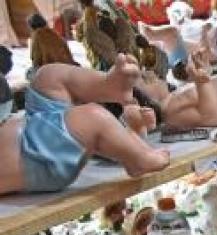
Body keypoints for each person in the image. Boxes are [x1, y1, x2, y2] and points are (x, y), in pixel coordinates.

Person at [0, 55, 169, 195]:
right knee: (92, 118)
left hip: (27, 128)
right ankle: (137, 159)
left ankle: (109, 85)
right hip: (33, 157)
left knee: (48, 76)